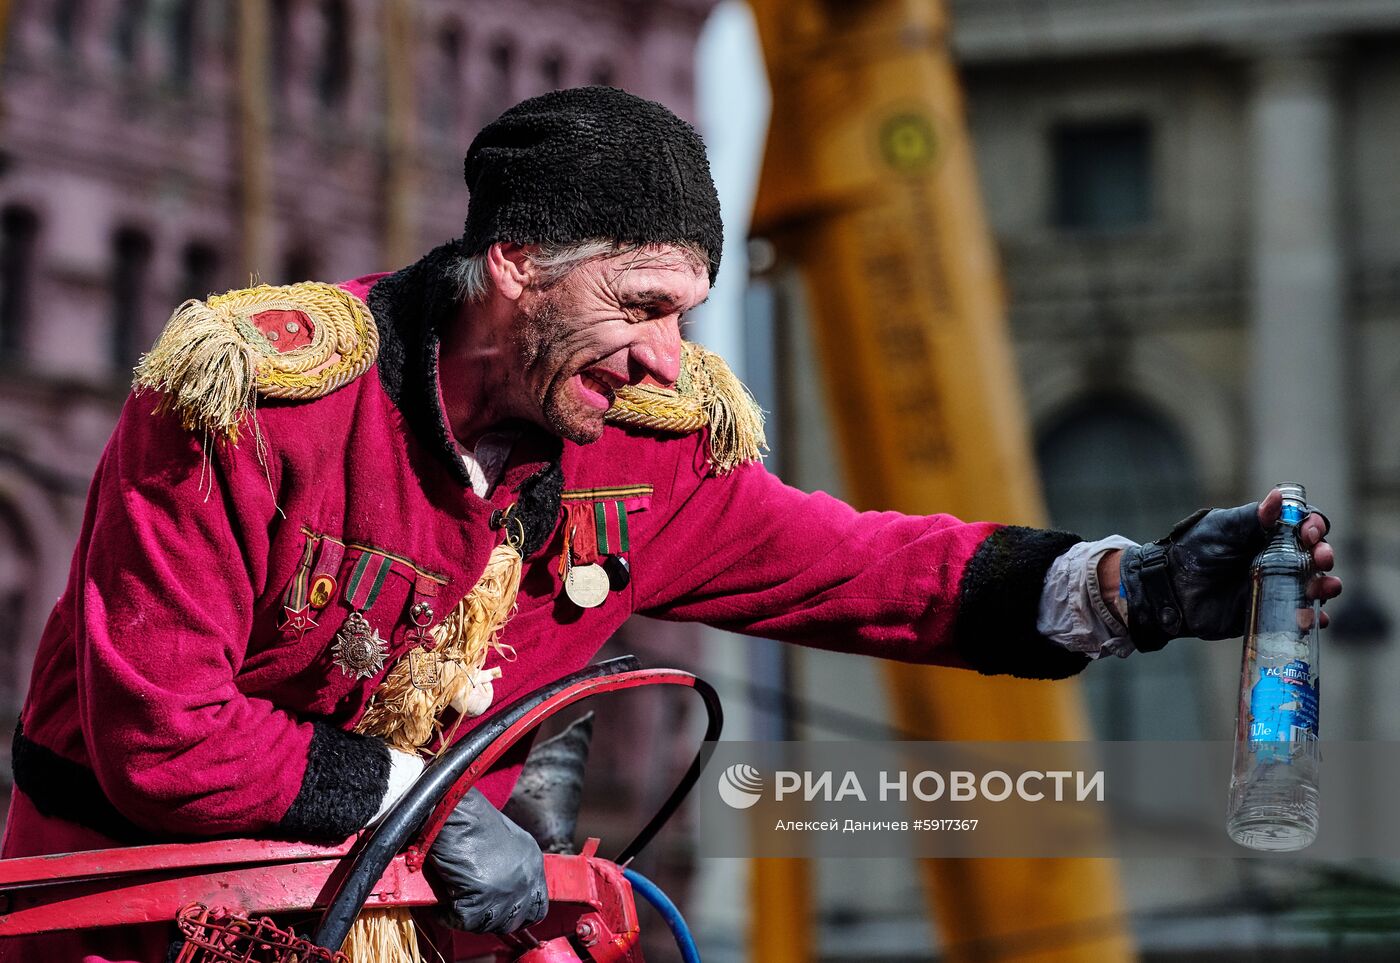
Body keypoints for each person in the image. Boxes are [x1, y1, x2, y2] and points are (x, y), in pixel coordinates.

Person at [0, 87, 1340, 962]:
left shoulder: (639, 457)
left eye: (685, 311)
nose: (666, 358)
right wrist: (428, 808)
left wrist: (1137, 588)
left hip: (424, 916)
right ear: (515, 265)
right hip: (131, 918)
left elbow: (864, 567)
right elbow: (160, 732)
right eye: (639, 305)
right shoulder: (253, 393)